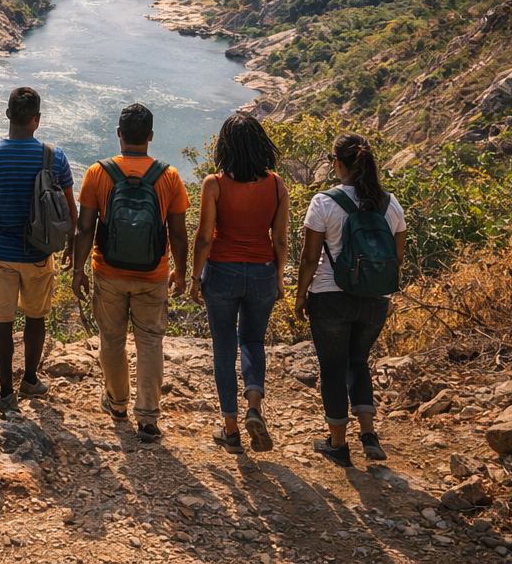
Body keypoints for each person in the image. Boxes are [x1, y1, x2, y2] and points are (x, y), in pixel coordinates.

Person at [73, 103, 190, 442]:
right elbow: (179, 233)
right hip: (153, 276)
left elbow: (84, 228)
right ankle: (149, 418)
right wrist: (180, 272)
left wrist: (78, 271)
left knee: (112, 340)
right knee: (150, 343)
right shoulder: (169, 176)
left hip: (108, 272)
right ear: (151, 137)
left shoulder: (98, 172)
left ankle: (118, 403)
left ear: (119, 134)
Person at [0, 86, 78, 414]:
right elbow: (69, 210)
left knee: (2, 323)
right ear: (36, 120)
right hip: (39, 256)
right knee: (36, 317)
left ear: (8, 115)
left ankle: (6, 393)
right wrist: (71, 248)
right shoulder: (55, 158)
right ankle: (30, 379)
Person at [294, 132, 407, 467]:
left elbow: (308, 258)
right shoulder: (391, 203)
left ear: (337, 164)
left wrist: (301, 295)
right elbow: (397, 259)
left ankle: (338, 444)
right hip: (375, 300)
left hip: (330, 298)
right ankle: (369, 435)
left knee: (332, 369)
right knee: (358, 363)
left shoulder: (325, 202)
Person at [191, 113, 289, 454]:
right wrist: (278, 278)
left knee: (223, 346)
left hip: (221, 272)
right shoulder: (277, 185)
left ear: (224, 146)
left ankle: (230, 429)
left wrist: (194, 277)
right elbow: (280, 241)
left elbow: (204, 238)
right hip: (262, 272)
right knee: (253, 342)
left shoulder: (214, 184)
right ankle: (254, 408)